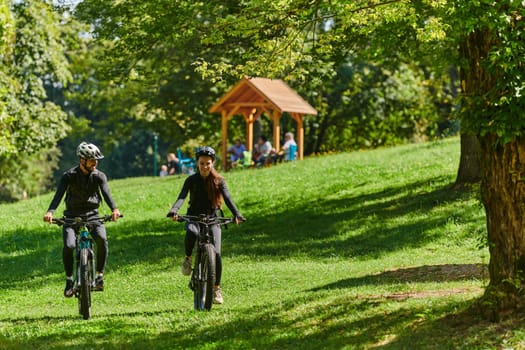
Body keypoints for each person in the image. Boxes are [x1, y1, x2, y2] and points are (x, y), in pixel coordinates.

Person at [167, 146, 245, 305]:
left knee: (216, 254)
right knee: (191, 232)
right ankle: (188, 259)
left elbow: (228, 199)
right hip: (194, 217)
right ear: (197, 163)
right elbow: (182, 197)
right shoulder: (191, 180)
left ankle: (216, 288)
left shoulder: (219, 181)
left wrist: (237, 214)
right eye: (202, 163)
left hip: (213, 219)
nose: (204, 167)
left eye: (208, 163)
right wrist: (174, 210)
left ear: (213, 163)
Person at [43, 142, 121, 297]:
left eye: (96, 160)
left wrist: (114, 209)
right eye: (92, 160)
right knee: (69, 246)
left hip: (92, 215)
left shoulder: (99, 176)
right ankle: (69, 280)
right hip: (71, 216)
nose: (95, 163)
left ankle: (99, 276)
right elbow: (58, 196)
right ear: (82, 160)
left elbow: (106, 194)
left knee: (102, 239)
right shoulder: (69, 176)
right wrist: (50, 212)